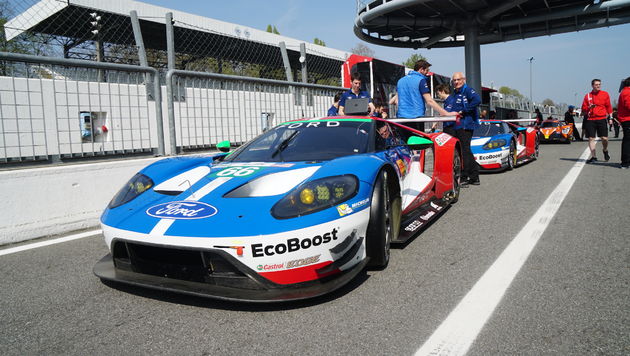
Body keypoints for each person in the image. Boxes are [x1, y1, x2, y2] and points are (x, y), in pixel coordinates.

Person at [443, 72, 482, 186]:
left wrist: (465, 111)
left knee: (465, 150)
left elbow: (477, 100)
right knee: (464, 150)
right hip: (457, 125)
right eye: (454, 80)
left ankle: (465, 176)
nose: (456, 82)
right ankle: (474, 176)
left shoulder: (468, 90)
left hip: (467, 124)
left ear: (463, 80)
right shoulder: (455, 92)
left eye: (458, 79)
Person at [396, 59, 449, 131]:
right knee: (418, 141)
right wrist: (444, 113)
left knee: (404, 141)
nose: (427, 73)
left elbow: (397, 101)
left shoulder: (400, 81)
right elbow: (429, 101)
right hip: (416, 118)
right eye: (427, 70)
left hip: (401, 119)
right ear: (421, 69)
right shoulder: (420, 80)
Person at [581, 78, 613, 163]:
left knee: (604, 138)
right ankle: (594, 157)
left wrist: (611, 118)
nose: (598, 86)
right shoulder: (587, 96)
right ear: (592, 85)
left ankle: (605, 150)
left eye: (599, 84)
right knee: (591, 138)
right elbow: (583, 110)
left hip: (602, 118)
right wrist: (589, 108)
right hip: (590, 119)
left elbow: (609, 107)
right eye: (596, 84)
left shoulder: (605, 94)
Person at [617, 76, 630, 169]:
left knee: (627, 140)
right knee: (628, 140)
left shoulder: (624, 91)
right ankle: (625, 162)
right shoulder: (627, 92)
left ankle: (626, 161)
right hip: (627, 119)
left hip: (626, 119)